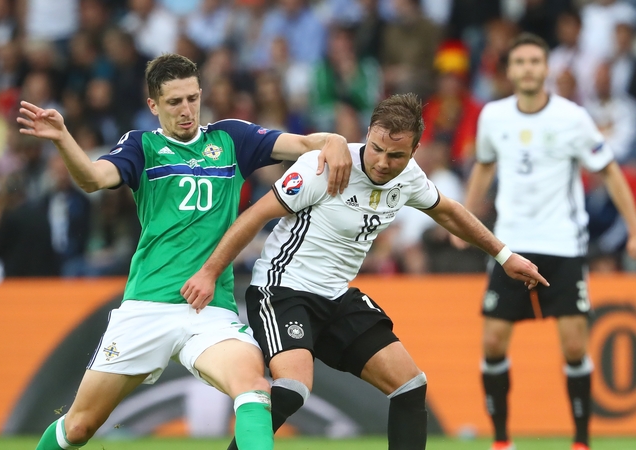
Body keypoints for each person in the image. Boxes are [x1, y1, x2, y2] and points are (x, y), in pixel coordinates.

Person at [16, 53, 353, 450]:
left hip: (209, 310)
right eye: (174, 102)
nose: (187, 110)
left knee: (254, 386)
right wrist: (62, 138)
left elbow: (304, 144)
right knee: (79, 427)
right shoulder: (142, 146)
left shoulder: (231, 139)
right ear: (153, 105)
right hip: (147, 306)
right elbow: (92, 179)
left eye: (193, 98)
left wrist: (335, 141)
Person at [181, 93, 549, 450]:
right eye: (376, 148)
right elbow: (255, 216)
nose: (383, 162)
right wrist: (210, 272)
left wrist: (505, 256)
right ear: (368, 134)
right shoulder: (323, 167)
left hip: (337, 296)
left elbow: (449, 211)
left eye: (396, 155)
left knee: (410, 386)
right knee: (293, 389)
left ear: (414, 151)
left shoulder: (409, 178)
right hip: (281, 289)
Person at [454, 33, 636, 450]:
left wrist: (634, 227)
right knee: (492, 342)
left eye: (535, 61)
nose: (528, 68)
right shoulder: (494, 116)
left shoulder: (572, 117)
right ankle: (502, 441)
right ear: (510, 70)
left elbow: (609, 171)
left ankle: (581, 441)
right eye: (520, 62)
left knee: (574, 346)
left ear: (546, 68)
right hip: (510, 246)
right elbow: (483, 167)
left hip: (562, 244)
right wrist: (464, 219)